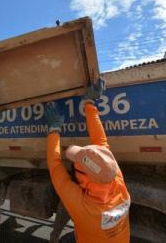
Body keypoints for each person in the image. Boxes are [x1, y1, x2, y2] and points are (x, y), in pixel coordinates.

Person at [45, 79, 130, 243]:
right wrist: (89, 103)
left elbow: (54, 165)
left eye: (77, 163)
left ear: (84, 178)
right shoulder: (115, 180)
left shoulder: (83, 207)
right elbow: (101, 144)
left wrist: (54, 128)